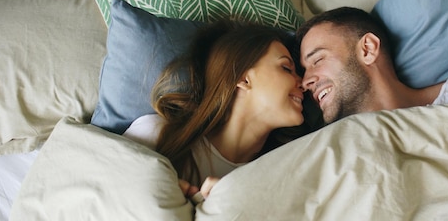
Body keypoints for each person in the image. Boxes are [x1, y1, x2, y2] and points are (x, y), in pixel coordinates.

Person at [124, 19, 316, 201]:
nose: (304, 83)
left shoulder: (280, 174)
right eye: (286, 68)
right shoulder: (155, 134)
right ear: (243, 78)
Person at [296, 7, 448, 124]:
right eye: (305, 70)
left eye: (317, 60)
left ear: (368, 50)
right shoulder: (331, 147)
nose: (305, 82)